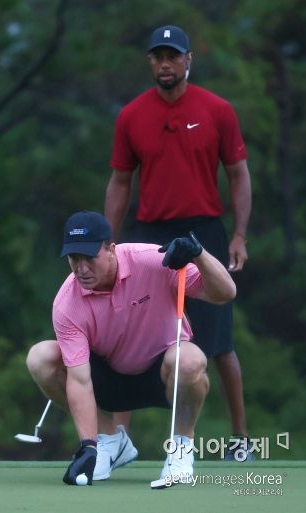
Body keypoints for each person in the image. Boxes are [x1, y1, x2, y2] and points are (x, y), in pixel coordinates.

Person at [104, 25, 253, 460]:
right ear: (151, 62)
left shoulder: (217, 110)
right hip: (150, 236)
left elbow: (238, 174)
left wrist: (240, 234)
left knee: (217, 340)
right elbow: (119, 181)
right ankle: (118, 441)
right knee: (128, 335)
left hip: (203, 233)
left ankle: (241, 439)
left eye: (173, 56)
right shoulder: (131, 115)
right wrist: (109, 241)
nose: (164, 64)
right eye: (157, 56)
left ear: (188, 60)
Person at [26, 211, 236, 485]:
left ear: (111, 249)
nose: (81, 268)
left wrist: (199, 254)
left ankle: (181, 450)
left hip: (164, 375)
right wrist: (87, 445)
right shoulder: (67, 303)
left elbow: (225, 293)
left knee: (191, 359)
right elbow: (79, 380)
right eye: (74, 259)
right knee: (40, 357)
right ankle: (109, 442)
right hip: (108, 382)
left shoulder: (153, 260)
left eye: (90, 257)